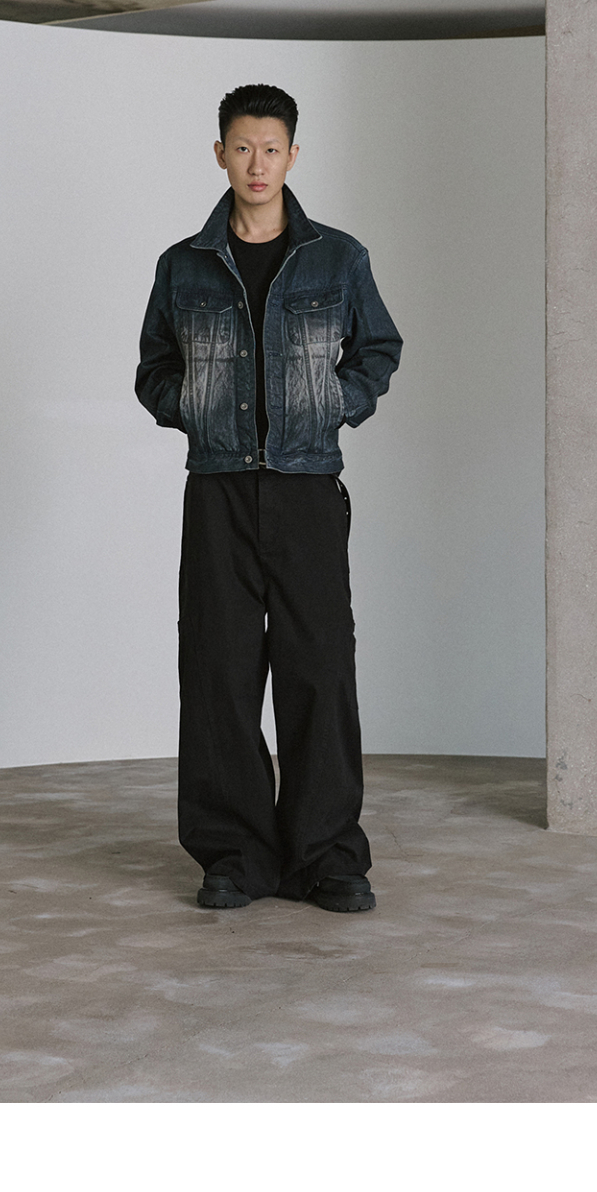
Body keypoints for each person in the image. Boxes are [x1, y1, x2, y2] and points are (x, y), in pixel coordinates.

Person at [135, 83, 402, 916]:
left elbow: (379, 349)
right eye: (243, 147)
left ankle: (326, 856)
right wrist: (190, 407)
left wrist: (334, 404)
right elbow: (153, 367)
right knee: (218, 670)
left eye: (272, 148)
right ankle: (235, 854)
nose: (258, 163)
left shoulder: (338, 258)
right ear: (221, 153)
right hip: (217, 488)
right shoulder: (183, 264)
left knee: (318, 668)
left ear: (293, 155)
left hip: (307, 487)